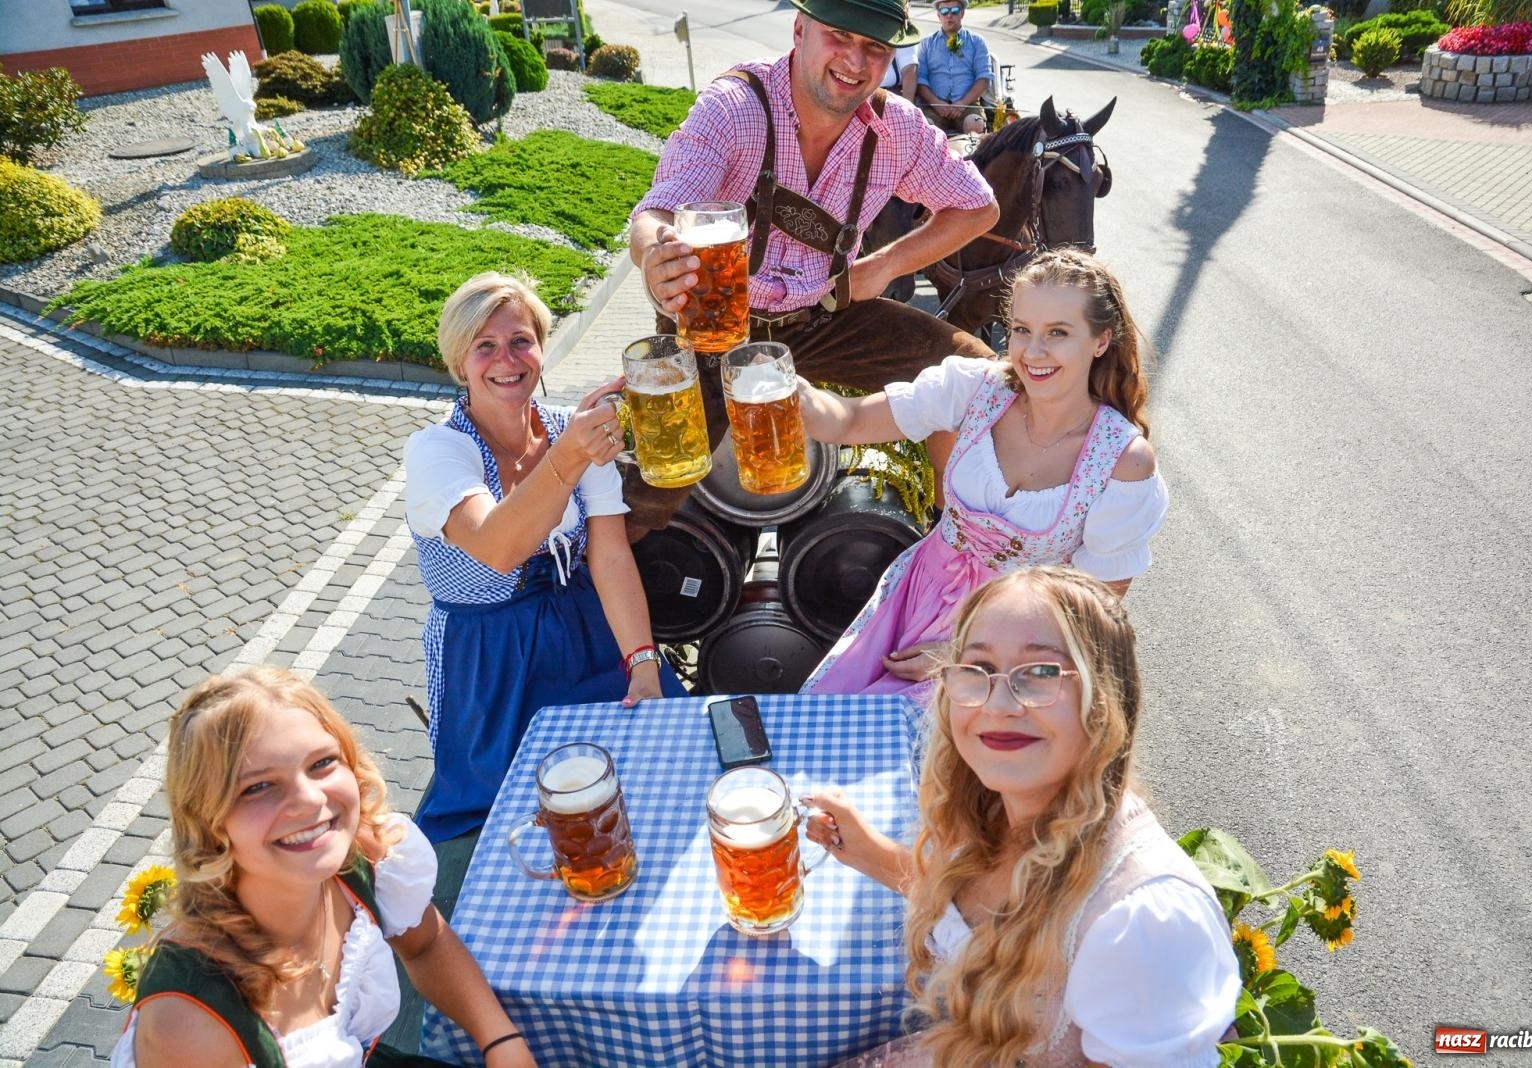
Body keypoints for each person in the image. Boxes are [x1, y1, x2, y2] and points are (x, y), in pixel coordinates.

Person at [805, 568, 1241, 1066]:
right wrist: (867, 852)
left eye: (1040, 674)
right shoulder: (994, 808)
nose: (999, 703)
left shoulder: (1141, 921)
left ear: (1104, 700)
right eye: (978, 670)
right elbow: (968, 912)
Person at [627, 0, 1002, 532]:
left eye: (874, 46)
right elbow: (658, 210)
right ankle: (602, 586)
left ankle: (952, 542)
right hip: (714, 325)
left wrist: (881, 266)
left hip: (825, 316)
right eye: (839, 36)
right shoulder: (735, 107)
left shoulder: (898, 129)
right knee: (648, 494)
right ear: (799, 30)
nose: (855, 60)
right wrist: (656, 252)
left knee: (978, 380)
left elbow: (978, 207)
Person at [113, 668, 538, 1068]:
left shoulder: (361, 852)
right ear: (208, 821)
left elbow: (426, 944)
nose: (311, 801)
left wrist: (501, 1040)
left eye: (321, 763)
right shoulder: (189, 1022)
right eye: (258, 787)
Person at [800, 248, 1167, 701]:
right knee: (834, 725)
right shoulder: (977, 388)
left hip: (1025, 648)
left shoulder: (1122, 461)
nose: (1033, 352)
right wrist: (779, 383)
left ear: (1101, 341)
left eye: (1058, 333)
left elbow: (1093, 608)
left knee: (944, 761)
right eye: (1020, 330)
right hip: (917, 601)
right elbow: (847, 421)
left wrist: (965, 655)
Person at [403, 271, 683, 842]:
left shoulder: (566, 431)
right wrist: (570, 458)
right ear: (460, 364)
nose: (506, 359)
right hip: (490, 660)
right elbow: (498, 547)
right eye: (485, 346)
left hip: (586, 632)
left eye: (520, 341)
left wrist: (644, 662)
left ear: (541, 347)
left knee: (653, 763)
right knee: (514, 816)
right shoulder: (439, 451)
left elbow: (608, 557)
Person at [915, 0, 993, 134]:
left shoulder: (977, 42)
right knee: (925, 128)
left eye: (955, 11)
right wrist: (936, 103)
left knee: (975, 124)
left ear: (962, 13)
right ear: (938, 15)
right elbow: (921, 80)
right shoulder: (926, 44)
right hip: (934, 106)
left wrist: (962, 103)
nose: (949, 15)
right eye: (944, 11)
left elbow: (983, 78)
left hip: (968, 105)